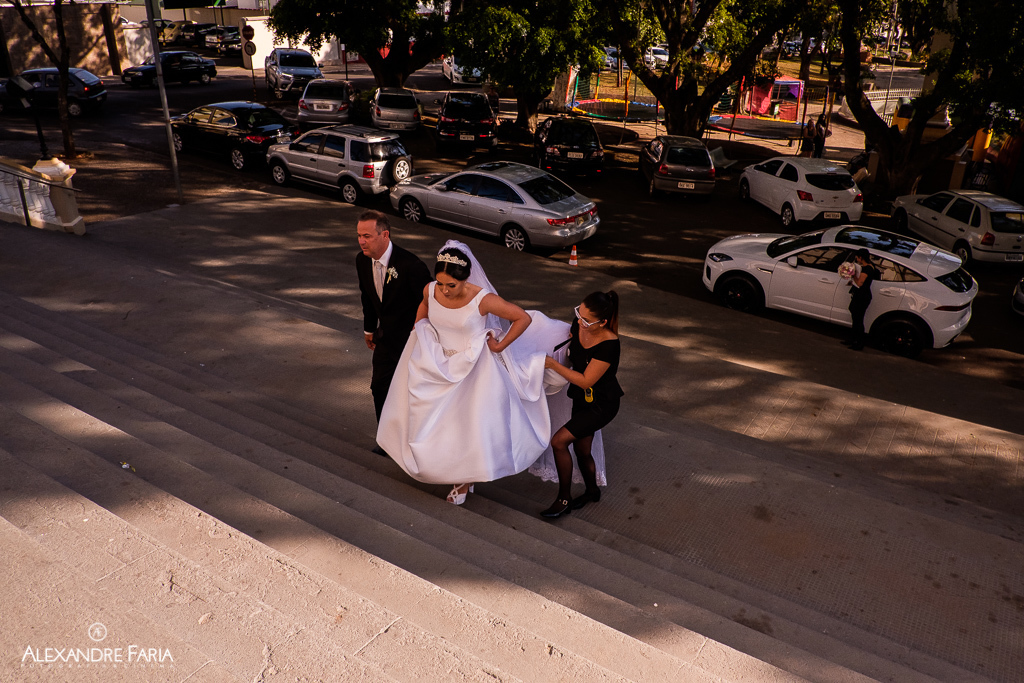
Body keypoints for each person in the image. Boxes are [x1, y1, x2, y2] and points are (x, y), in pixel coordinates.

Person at [377, 241, 562, 505]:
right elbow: (425, 305)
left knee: (466, 428)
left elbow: (522, 318)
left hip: (473, 370)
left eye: (451, 285)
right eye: (441, 283)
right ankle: (441, 467)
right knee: (432, 423)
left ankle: (464, 480)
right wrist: (419, 328)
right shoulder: (430, 289)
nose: (444, 290)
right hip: (435, 364)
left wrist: (500, 345)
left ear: (465, 279)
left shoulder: (483, 299)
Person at [539, 291, 622, 518]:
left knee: (559, 442)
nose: (579, 321)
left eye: (586, 320)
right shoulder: (579, 324)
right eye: (579, 313)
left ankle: (563, 499)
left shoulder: (609, 345)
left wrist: (553, 365)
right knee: (581, 449)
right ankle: (592, 491)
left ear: (602, 322)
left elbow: (586, 380)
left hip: (601, 404)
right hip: (581, 398)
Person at [355, 210, 432, 434]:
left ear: (385, 235)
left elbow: (429, 303)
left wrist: (419, 334)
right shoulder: (362, 260)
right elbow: (367, 296)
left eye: (367, 236)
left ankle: (414, 437)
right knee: (379, 388)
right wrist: (369, 329)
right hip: (385, 340)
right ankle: (386, 438)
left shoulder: (411, 265)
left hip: (411, 343)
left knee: (412, 393)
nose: (361, 241)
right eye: (359, 235)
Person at [844, 249, 879, 351]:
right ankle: (853, 339)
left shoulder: (867, 269)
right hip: (860, 295)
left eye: (857, 257)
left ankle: (859, 342)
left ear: (861, 257)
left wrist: (853, 275)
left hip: (862, 297)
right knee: (855, 317)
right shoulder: (867, 267)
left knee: (858, 320)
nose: (856, 258)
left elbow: (860, 283)